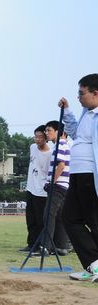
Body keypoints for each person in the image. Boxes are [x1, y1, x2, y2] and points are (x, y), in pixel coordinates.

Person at [59, 74, 98, 281]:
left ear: (95, 93)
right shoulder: (86, 113)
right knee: (70, 218)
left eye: (82, 94)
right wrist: (66, 111)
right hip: (77, 173)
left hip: (91, 174)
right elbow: (74, 132)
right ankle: (93, 265)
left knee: (93, 220)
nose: (79, 97)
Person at [37, 121, 70, 256]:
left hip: (58, 186)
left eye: (49, 130)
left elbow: (61, 166)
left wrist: (52, 182)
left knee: (48, 215)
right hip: (63, 185)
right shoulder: (61, 145)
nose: (46, 133)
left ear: (58, 132)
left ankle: (46, 247)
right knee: (60, 216)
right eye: (46, 130)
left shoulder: (61, 144)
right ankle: (61, 246)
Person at [21, 126, 52, 252]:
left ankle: (41, 245)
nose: (37, 140)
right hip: (30, 188)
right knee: (30, 219)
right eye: (36, 136)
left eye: (40, 137)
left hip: (42, 192)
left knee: (40, 220)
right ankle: (31, 243)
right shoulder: (32, 147)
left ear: (46, 138)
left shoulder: (50, 154)